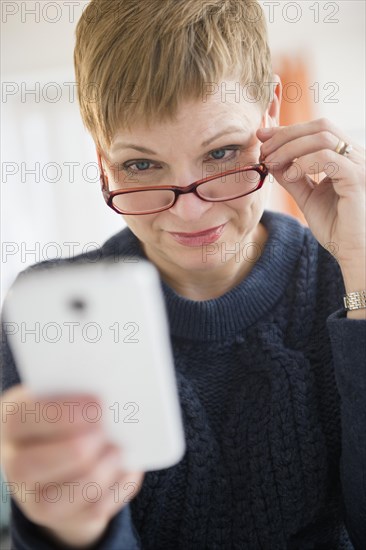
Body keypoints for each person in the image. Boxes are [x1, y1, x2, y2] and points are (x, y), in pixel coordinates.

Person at [1, 0, 365, 548]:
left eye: (221, 153)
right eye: (141, 165)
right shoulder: (50, 316)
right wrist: (75, 532)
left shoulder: (346, 284)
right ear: (101, 155)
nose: (189, 212)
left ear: (270, 112)